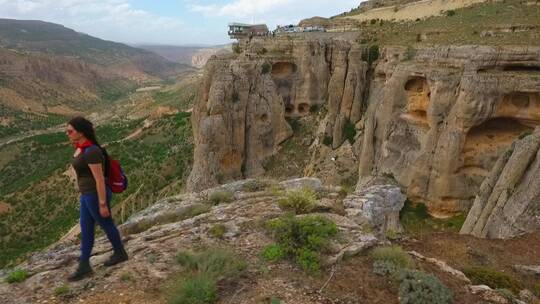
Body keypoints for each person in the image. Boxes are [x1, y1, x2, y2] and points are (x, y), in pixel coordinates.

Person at [65, 116, 128, 281]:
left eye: (70, 131)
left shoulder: (91, 151)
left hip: (95, 195)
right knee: (86, 230)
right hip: (87, 195)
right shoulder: (81, 147)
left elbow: (99, 179)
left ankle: (120, 253)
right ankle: (84, 265)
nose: (67, 133)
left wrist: (102, 204)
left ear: (80, 132)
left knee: (106, 224)